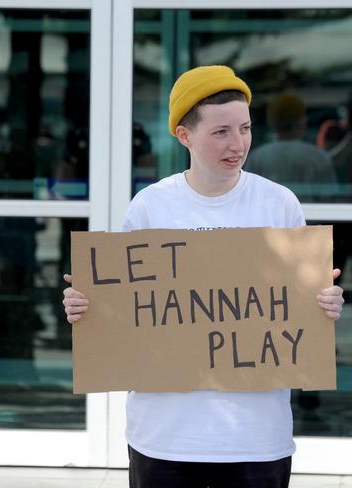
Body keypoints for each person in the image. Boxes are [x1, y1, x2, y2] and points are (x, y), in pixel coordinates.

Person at [62, 65, 344, 488]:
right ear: (184, 135)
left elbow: (297, 306)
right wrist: (87, 308)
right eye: (221, 132)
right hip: (165, 437)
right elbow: (125, 308)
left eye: (245, 128)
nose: (238, 144)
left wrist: (324, 305)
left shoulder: (279, 204)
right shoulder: (150, 207)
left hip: (257, 438)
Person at [246, 92, 337, 200]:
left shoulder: (257, 157)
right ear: (302, 122)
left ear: (272, 122)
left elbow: (248, 196)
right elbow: (331, 200)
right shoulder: (318, 157)